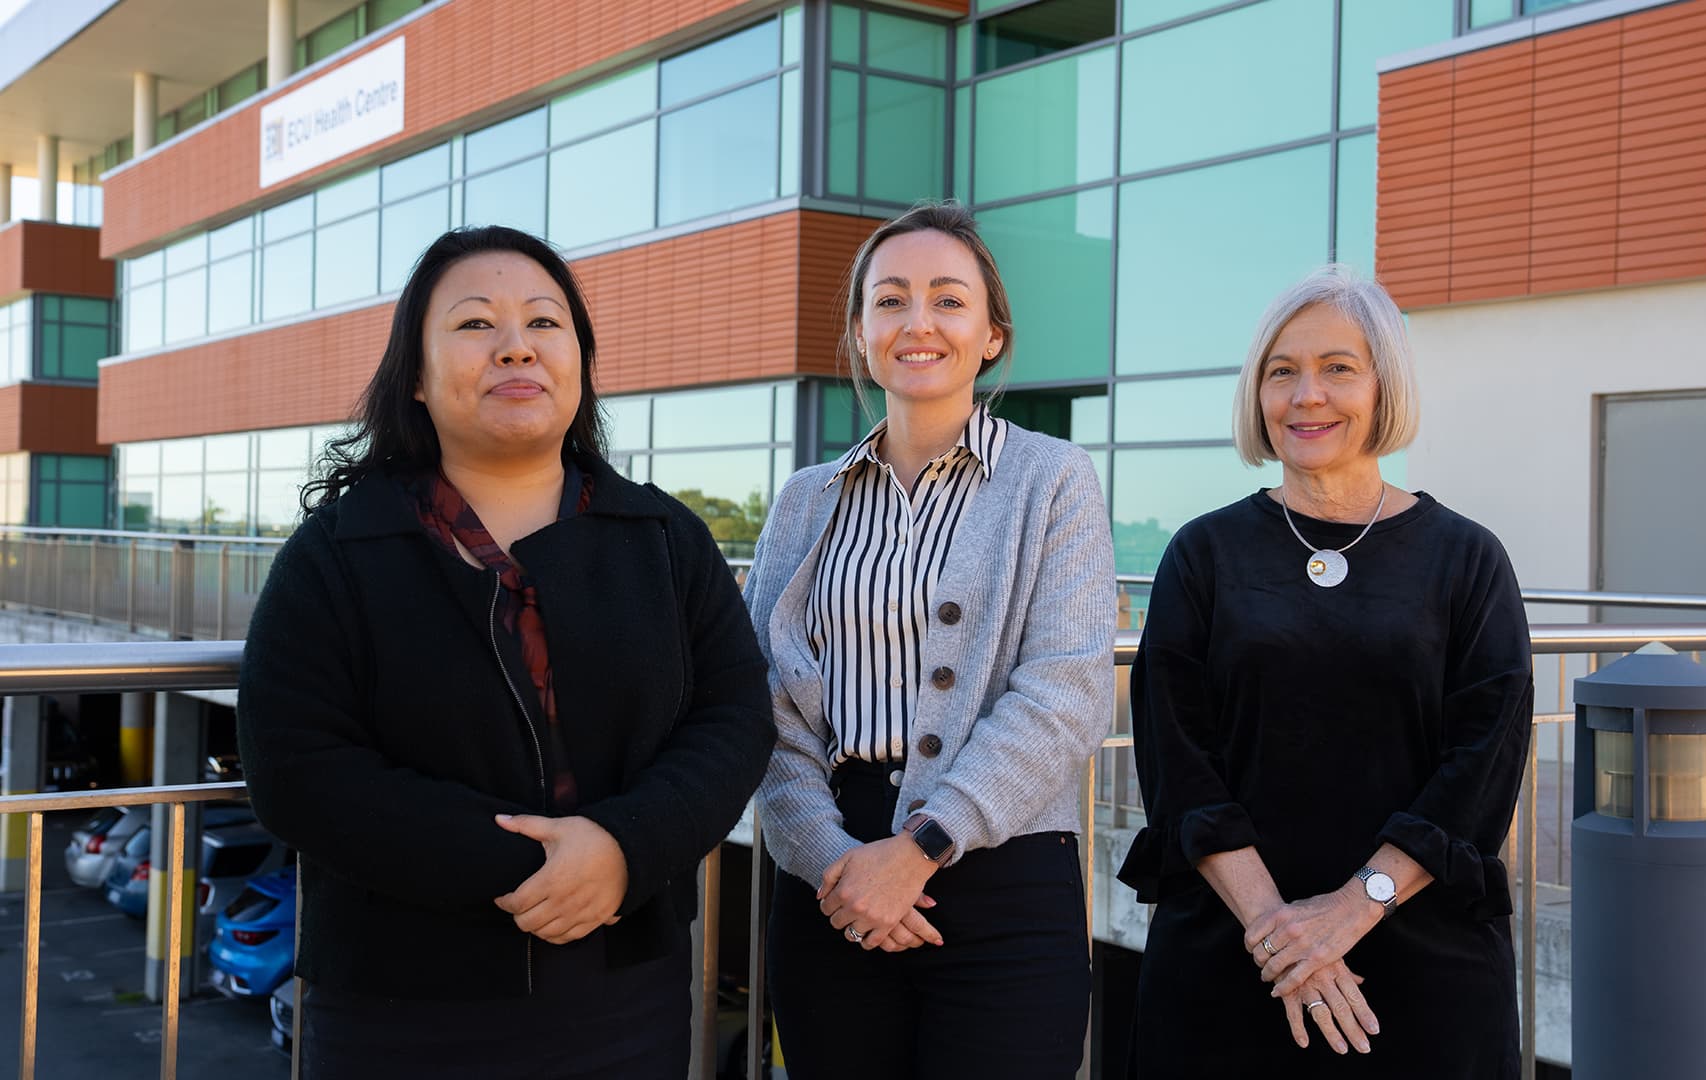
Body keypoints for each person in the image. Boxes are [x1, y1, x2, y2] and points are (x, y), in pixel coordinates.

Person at [236, 225, 773, 1079]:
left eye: (544, 323)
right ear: (414, 376)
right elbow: (296, 767)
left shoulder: (664, 538)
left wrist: (623, 848)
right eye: (476, 324)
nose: (516, 346)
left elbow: (735, 713)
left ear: (580, 362)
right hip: (399, 1002)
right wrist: (542, 866)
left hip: (625, 991)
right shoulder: (340, 551)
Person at [1119, 265, 1533, 1078]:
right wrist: (1285, 933)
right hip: (1231, 954)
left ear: (1384, 386)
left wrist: (1347, 913)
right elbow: (1177, 759)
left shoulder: (1467, 559)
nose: (1308, 395)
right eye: (1283, 371)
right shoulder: (1202, 555)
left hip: (1423, 965)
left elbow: (1481, 766)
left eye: (1338, 368)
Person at [744, 202, 1116, 1080]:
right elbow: (757, 698)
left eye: (949, 301)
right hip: (831, 878)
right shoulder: (805, 501)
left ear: (992, 334)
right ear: (861, 334)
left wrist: (922, 849)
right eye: (891, 301)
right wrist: (834, 861)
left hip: (1005, 865)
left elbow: (1066, 690)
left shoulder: (1053, 479)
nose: (919, 323)